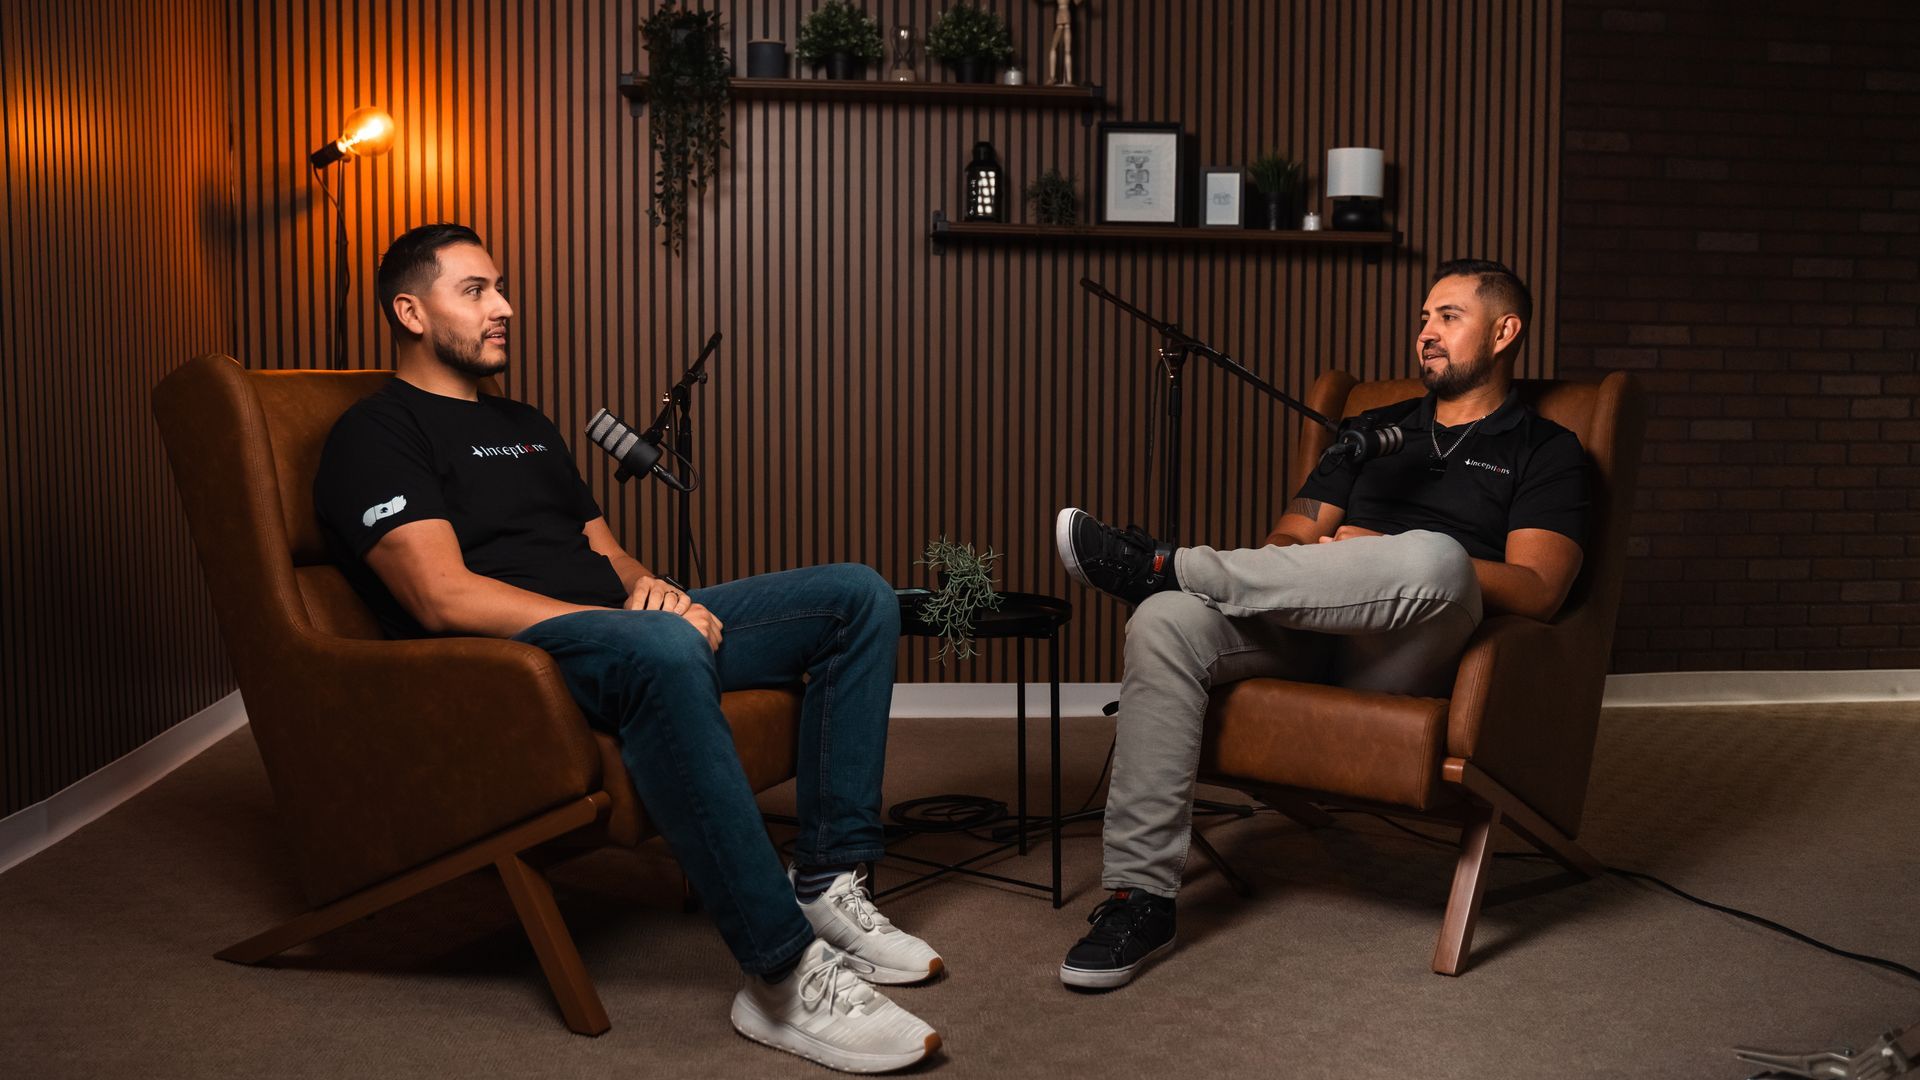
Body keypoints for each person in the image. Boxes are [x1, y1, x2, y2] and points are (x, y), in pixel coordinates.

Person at [313, 223, 943, 1073]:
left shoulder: (525, 423)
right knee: (663, 651)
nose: (503, 307)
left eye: (501, 287)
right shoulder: (375, 434)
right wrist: (632, 626)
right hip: (520, 666)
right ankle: (781, 976)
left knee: (857, 596)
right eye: (475, 291)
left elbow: (605, 553)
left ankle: (828, 881)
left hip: (633, 636)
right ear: (409, 310)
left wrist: (659, 594)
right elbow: (439, 595)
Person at [1051, 259, 1588, 990]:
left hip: (1415, 647)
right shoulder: (1369, 431)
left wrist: (1383, 552)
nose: (1426, 332)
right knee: (1165, 620)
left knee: (1433, 558)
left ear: (1505, 332)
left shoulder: (1546, 450)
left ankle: (1168, 563)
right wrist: (1332, 562)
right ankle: (1141, 897)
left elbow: (1538, 589)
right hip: (1309, 627)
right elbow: (1285, 550)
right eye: (1423, 317)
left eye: (1448, 317)